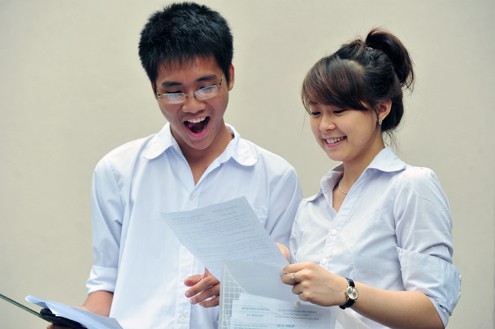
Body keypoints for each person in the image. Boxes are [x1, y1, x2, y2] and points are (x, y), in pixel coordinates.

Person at [49, 2, 301, 329]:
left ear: (230, 77)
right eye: (174, 92)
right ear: (154, 90)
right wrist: (75, 323)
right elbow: (105, 287)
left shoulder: (275, 177)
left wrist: (243, 286)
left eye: (206, 86)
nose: (193, 105)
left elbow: (285, 296)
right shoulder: (117, 171)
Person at [280, 28, 461, 329]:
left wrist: (346, 291)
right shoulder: (309, 209)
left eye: (338, 110)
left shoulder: (411, 187)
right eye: (315, 112)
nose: (325, 125)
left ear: (381, 108)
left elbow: (433, 312)